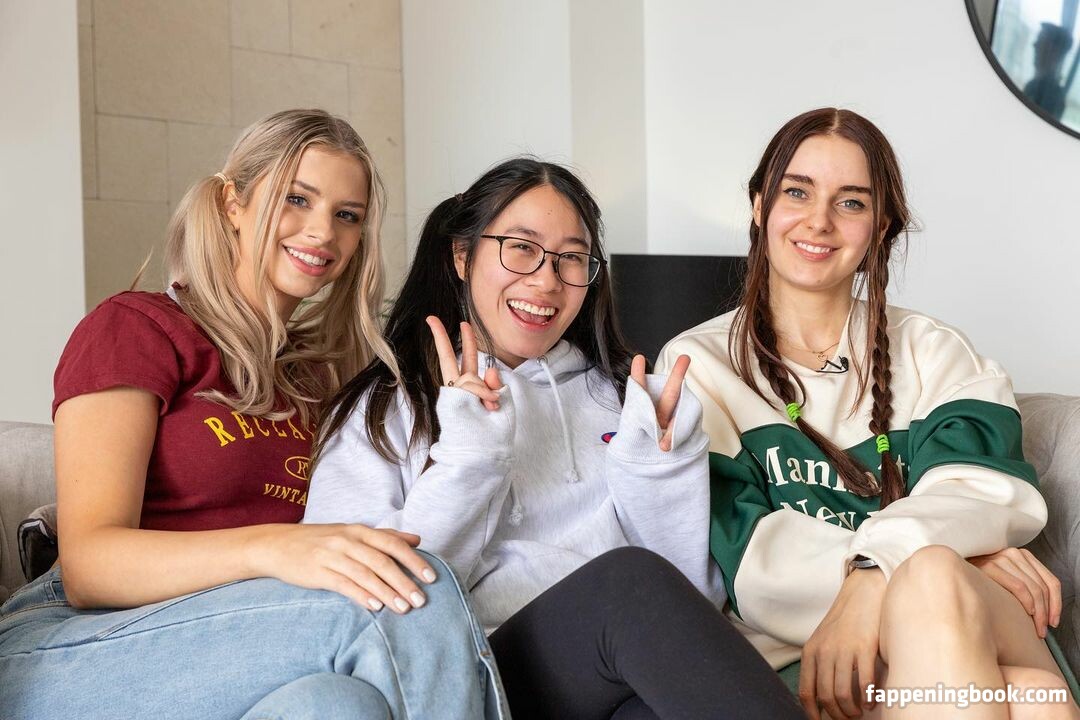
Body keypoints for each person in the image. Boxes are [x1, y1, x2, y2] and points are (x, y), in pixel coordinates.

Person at [0, 109, 505, 720]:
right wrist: (274, 548)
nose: (322, 232)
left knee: (336, 706)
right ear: (232, 203)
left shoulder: (327, 381)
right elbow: (89, 566)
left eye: (347, 215)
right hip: (75, 645)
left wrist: (471, 433)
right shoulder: (137, 328)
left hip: (252, 637)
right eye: (297, 198)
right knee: (409, 595)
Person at [305, 157, 804, 719]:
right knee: (627, 582)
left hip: (607, 675)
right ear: (462, 256)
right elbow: (357, 607)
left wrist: (660, 473)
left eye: (571, 258)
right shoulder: (384, 407)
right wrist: (469, 460)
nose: (547, 281)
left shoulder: (621, 398)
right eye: (521, 248)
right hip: (473, 675)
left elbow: (690, 605)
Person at [659, 107, 1077, 720]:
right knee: (1036, 700)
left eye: (851, 202)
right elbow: (749, 563)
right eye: (797, 192)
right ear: (759, 205)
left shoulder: (934, 351)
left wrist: (875, 574)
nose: (819, 220)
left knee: (933, 577)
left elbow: (983, 494)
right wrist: (942, 546)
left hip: (969, 612)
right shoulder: (699, 365)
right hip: (816, 653)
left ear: (880, 227)